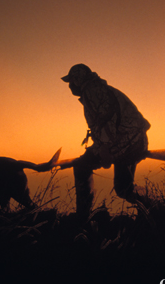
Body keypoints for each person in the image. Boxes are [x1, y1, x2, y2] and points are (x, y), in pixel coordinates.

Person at [61, 64, 152, 219]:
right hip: (132, 141)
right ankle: (152, 207)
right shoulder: (97, 89)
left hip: (125, 143)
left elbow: (107, 118)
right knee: (124, 189)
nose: (70, 86)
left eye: (71, 81)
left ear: (79, 79)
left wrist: (104, 148)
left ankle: (83, 217)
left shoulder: (92, 91)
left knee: (82, 167)